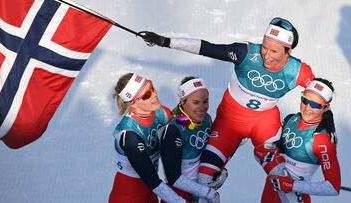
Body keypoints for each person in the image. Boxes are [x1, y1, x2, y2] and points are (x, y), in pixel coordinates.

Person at [138, 17, 315, 189]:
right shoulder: (245, 52)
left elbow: (320, 99)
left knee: (283, 177)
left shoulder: (299, 71)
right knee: (204, 180)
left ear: (288, 51)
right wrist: (165, 41)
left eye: (274, 51)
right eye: (264, 47)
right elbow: (207, 48)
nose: (266, 56)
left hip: (264, 124)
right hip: (229, 122)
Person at [255, 78, 341, 202]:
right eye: (305, 100)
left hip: (294, 196)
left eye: (316, 105)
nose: (307, 108)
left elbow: (333, 187)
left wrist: (292, 185)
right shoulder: (291, 119)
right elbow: (272, 153)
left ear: (325, 108)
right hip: (272, 189)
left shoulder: (322, 140)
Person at [109, 73, 186, 203]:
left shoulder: (162, 113)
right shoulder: (128, 134)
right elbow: (151, 178)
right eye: (146, 95)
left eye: (152, 88)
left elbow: (189, 127)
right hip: (129, 196)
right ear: (133, 102)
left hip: (151, 193)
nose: (154, 94)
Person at [159, 76, 219, 203]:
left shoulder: (206, 119)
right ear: (183, 102)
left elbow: (210, 150)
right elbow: (173, 178)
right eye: (196, 102)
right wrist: (207, 192)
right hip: (178, 194)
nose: (202, 107)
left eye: (205, 101)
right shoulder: (174, 130)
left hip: (201, 189)